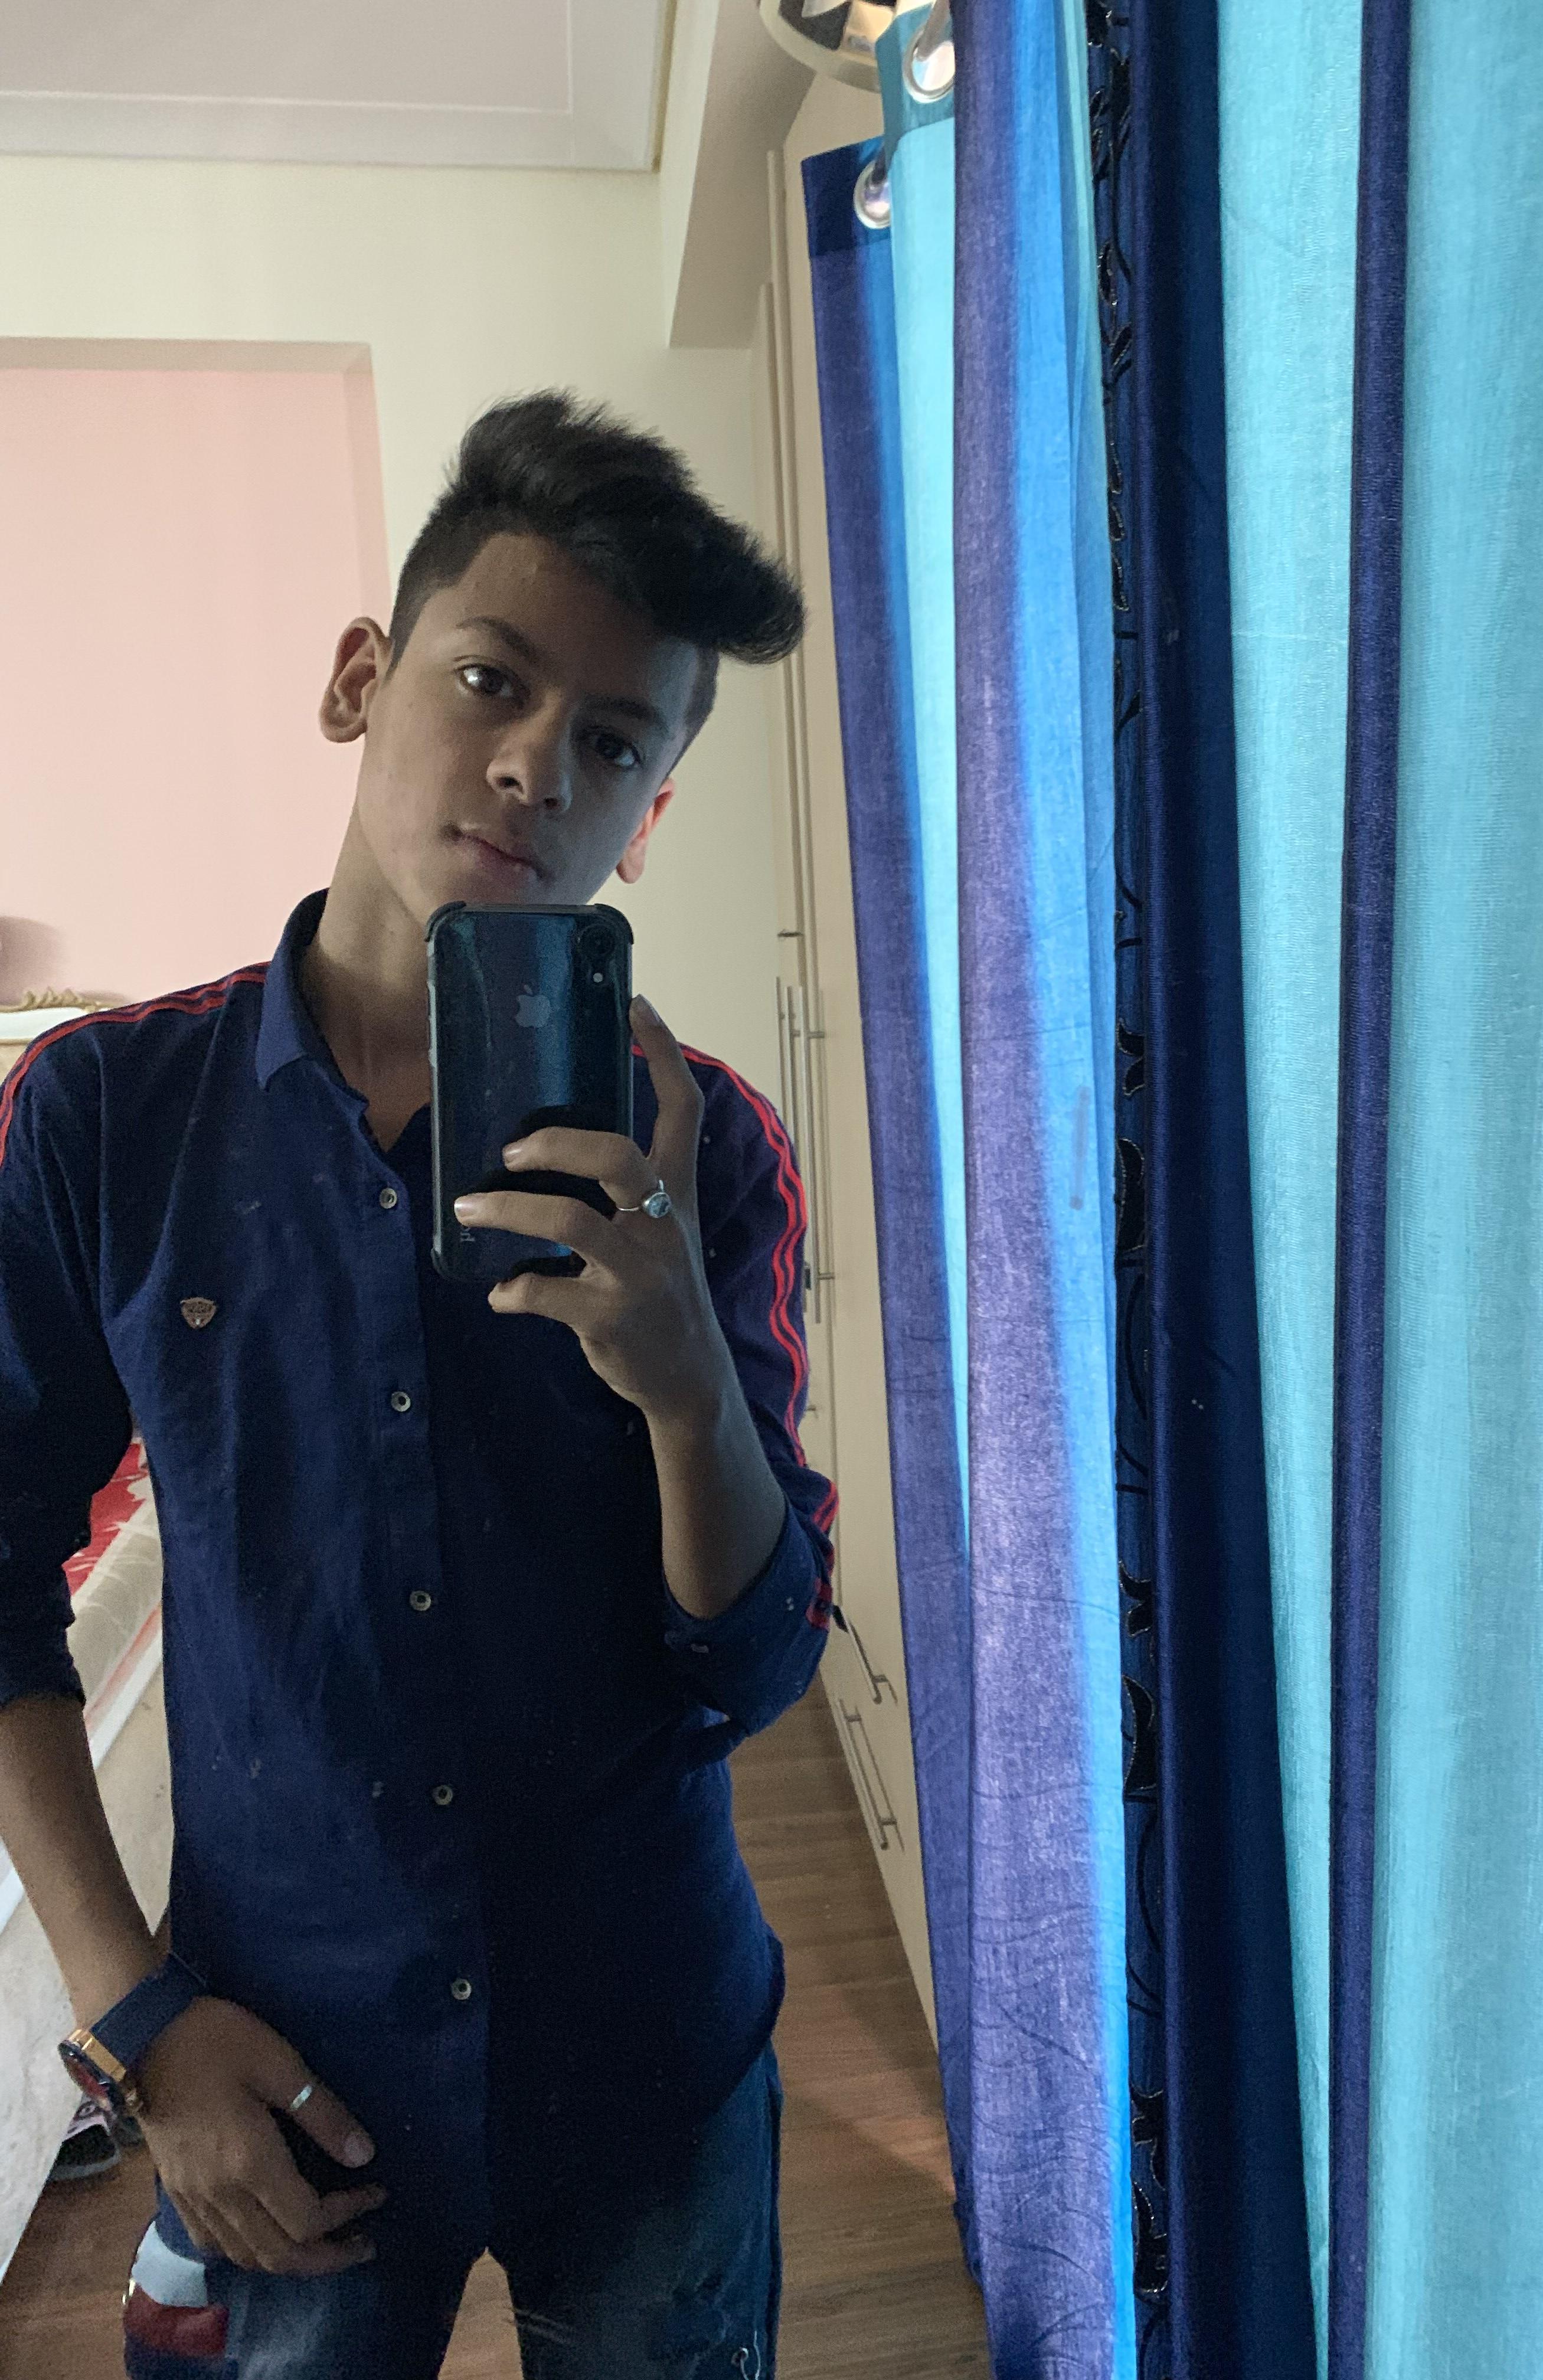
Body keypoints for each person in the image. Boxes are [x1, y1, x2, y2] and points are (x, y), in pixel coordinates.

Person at [0, 391, 838, 2378]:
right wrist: (136, 2019)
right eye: (492, 681)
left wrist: (682, 1384)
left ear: (650, 814)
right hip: (279, 2072)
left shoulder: (706, 1149)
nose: (541, 762)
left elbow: (753, 1671)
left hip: (646, 2057)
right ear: (362, 679)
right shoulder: (109, 1118)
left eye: (615, 742)